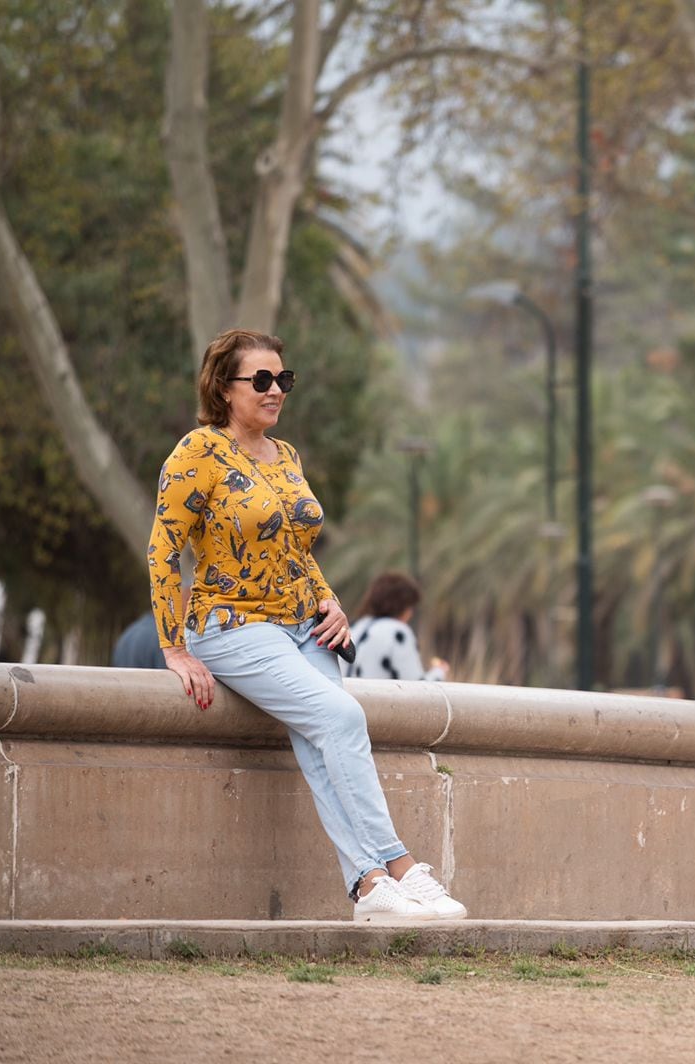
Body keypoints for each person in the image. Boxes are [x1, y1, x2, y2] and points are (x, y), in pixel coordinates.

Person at [148, 328, 466, 923]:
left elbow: (297, 550)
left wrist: (332, 601)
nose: (275, 391)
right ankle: (398, 864)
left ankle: (369, 888)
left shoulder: (285, 455)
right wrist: (174, 647)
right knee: (343, 717)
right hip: (232, 626)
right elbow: (162, 551)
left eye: (283, 380)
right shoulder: (198, 453)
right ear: (223, 386)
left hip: (307, 626)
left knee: (324, 743)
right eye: (261, 380)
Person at [348, 572, 450, 681]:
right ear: (403, 605)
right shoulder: (398, 632)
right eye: (410, 607)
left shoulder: (355, 626)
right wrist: (439, 672)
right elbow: (417, 687)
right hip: (376, 697)